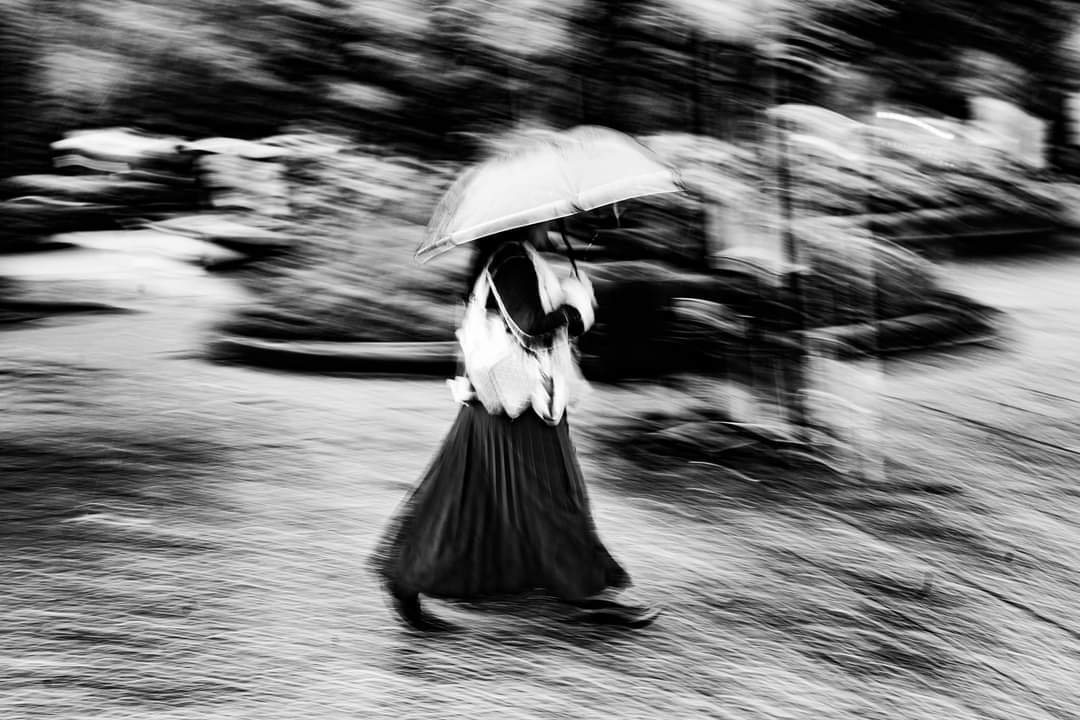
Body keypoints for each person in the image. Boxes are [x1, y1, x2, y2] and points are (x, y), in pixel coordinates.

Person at [368, 222, 656, 631]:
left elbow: (526, 324)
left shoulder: (510, 261)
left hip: (496, 408)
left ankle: (405, 579)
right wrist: (577, 308)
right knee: (552, 500)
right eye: (547, 219)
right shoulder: (513, 263)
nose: (554, 226)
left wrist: (571, 302)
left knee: (458, 497)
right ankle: (589, 596)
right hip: (518, 412)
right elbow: (530, 327)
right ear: (525, 223)